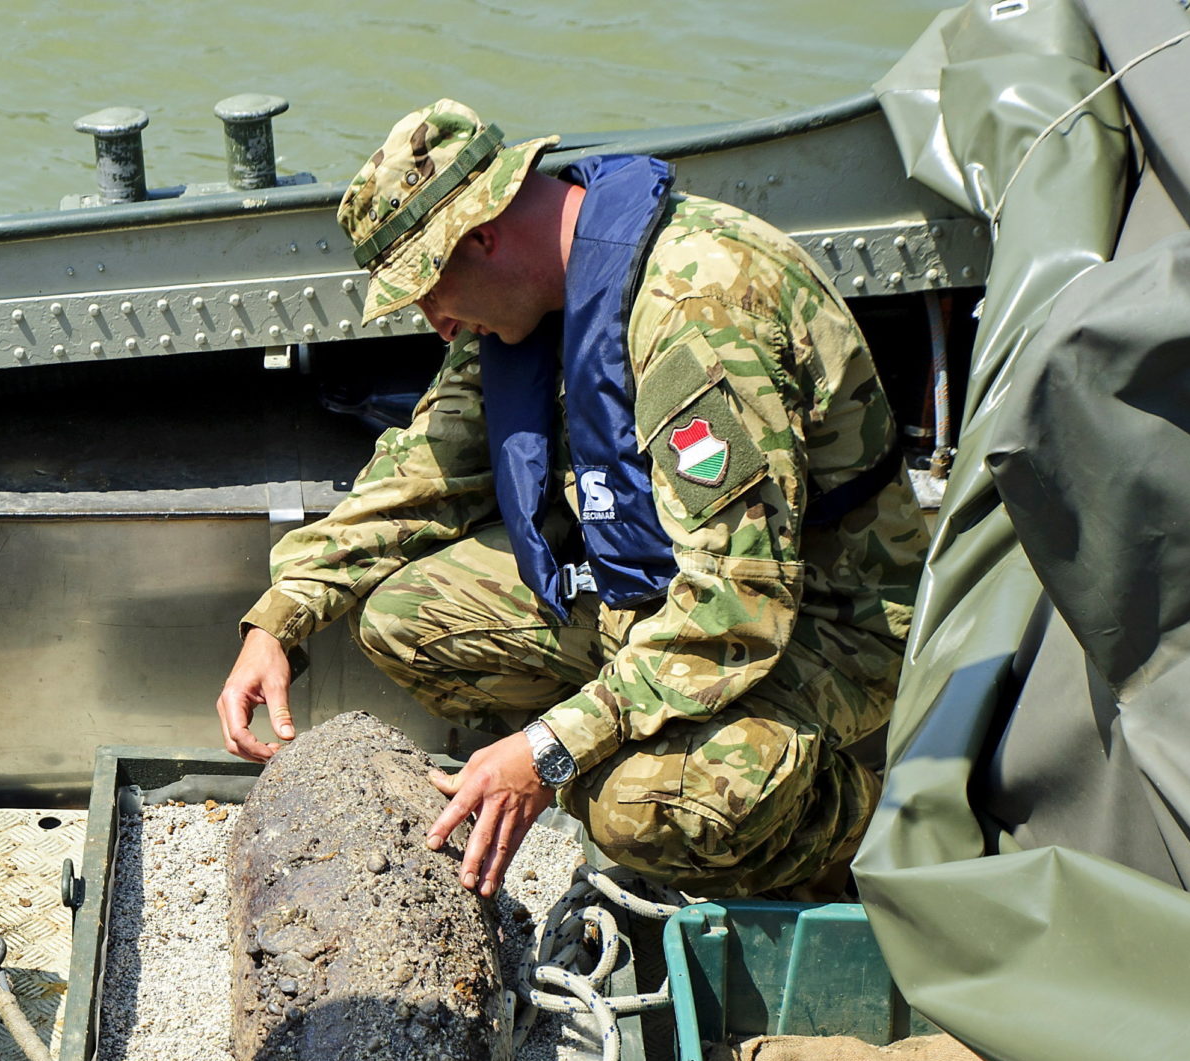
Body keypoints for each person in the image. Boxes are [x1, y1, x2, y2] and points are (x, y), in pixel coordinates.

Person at [215, 100, 926, 898]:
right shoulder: (535, 301)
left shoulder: (695, 314)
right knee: (405, 619)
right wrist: (280, 618)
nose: (436, 323)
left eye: (430, 290)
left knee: (636, 810)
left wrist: (552, 750)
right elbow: (424, 471)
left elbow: (740, 604)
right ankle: (632, 747)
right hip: (656, 599)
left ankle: (874, 826)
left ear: (483, 235)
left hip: (824, 627)